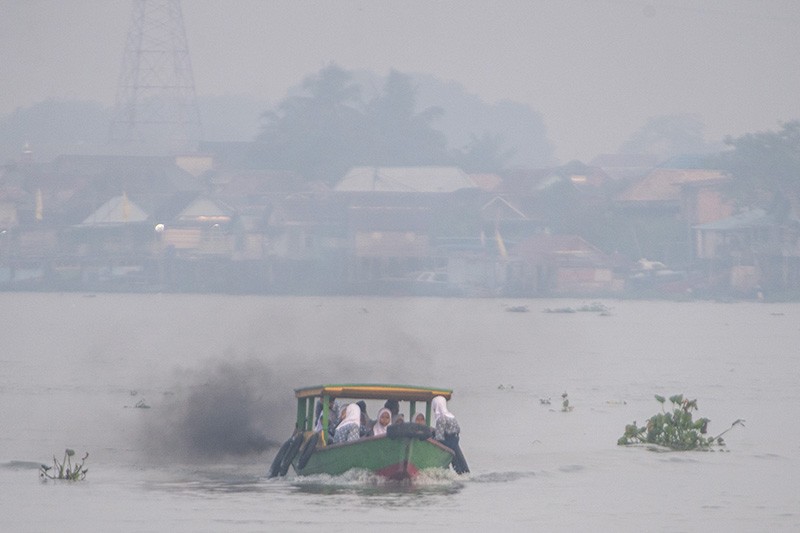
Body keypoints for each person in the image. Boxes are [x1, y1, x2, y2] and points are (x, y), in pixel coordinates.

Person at [431, 395, 469, 474]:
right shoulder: (451, 416)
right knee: (460, 462)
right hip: (455, 441)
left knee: (455, 461)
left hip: (448, 442)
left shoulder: (441, 419)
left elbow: (439, 437)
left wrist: (431, 436)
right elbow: (457, 430)